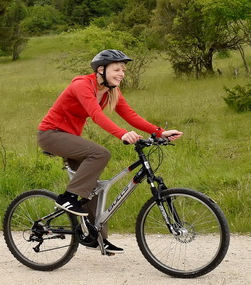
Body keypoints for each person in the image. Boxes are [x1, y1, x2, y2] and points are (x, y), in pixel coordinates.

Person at [37, 49, 183, 253]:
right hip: (51, 135)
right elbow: (96, 115)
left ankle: (95, 238)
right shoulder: (82, 85)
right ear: (101, 70)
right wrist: (122, 134)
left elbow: (130, 115)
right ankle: (67, 199)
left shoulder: (111, 91)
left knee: (93, 188)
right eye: (117, 69)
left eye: (123, 70)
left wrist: (159, 132)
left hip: (70, 138)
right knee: (100, 154)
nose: (122, 73)